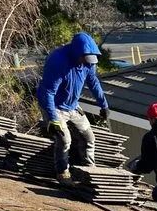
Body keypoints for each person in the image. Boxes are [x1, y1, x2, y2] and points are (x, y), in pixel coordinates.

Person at [37, 32, 109, 188]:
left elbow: (93, 82)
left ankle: (89, 171)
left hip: (73, 106)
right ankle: (62, 172)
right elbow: (48, 92)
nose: (87, 63)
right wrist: (52, 118)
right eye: (85, 59)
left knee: (89, 138)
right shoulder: (58, 62)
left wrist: (103, 105)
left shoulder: (88, 62)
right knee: (64, 140)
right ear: (78, 53)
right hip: (54, 106)